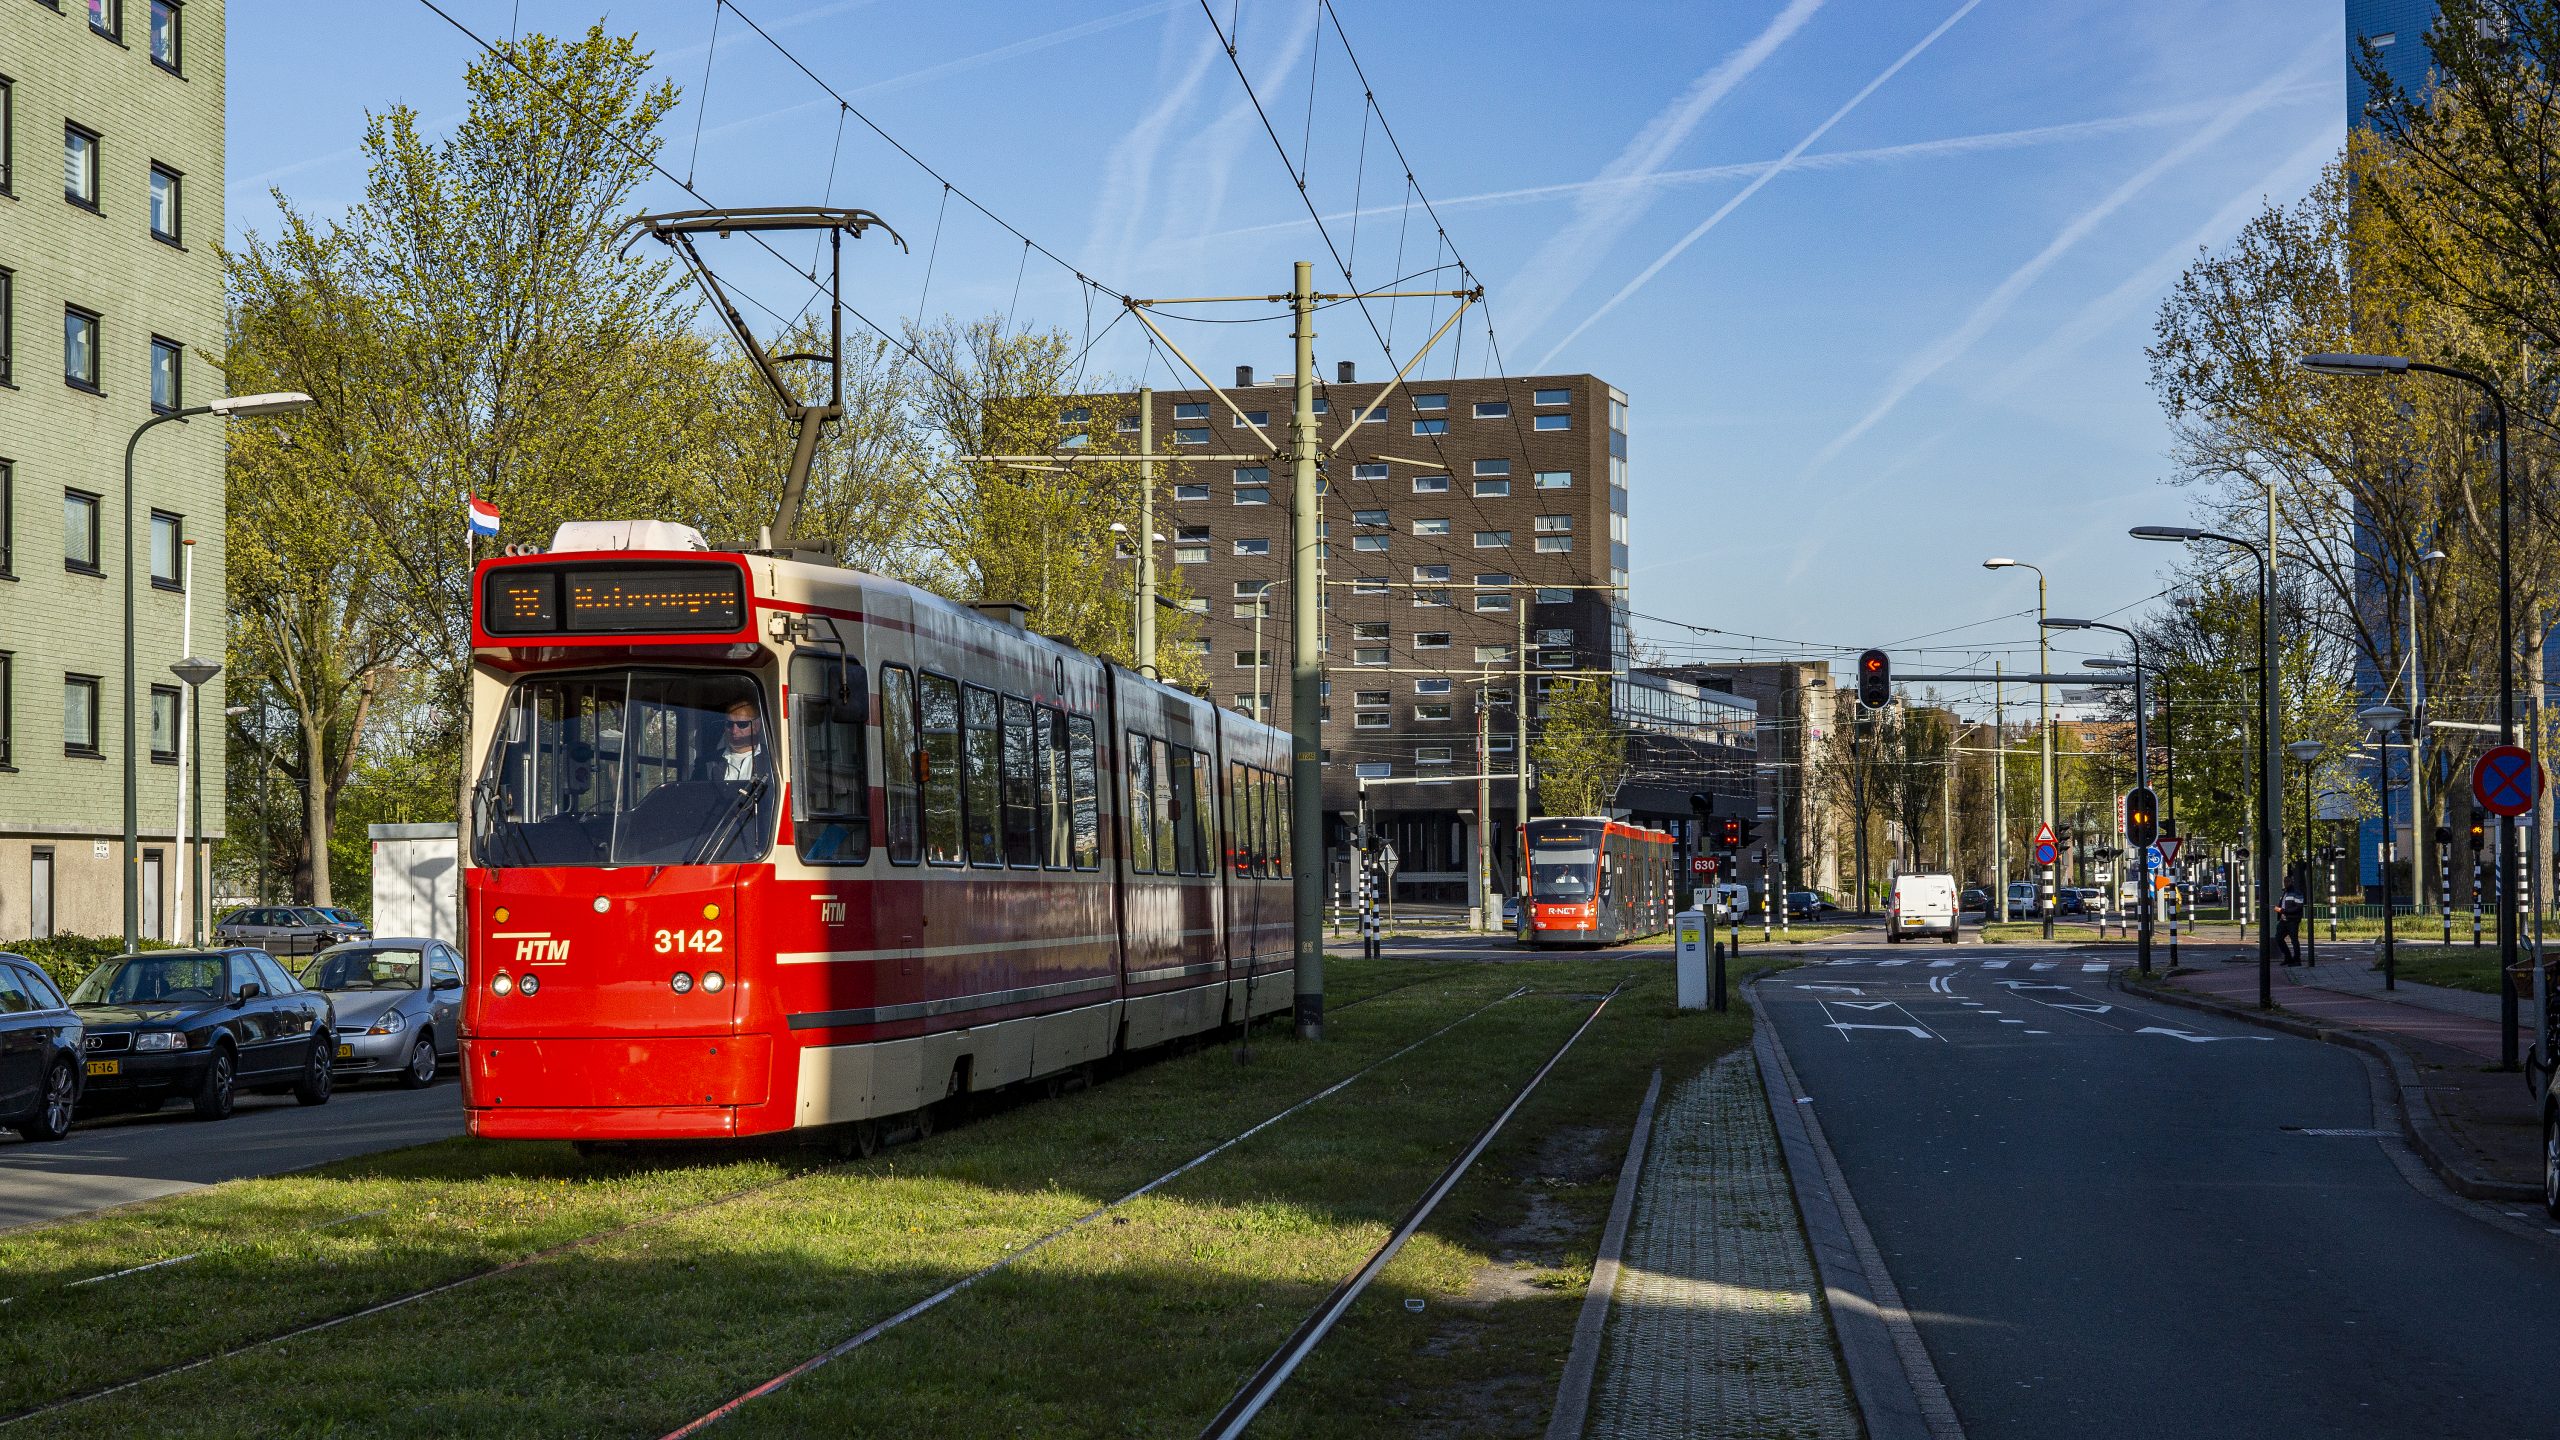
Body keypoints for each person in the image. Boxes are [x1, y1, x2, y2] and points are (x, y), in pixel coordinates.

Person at [694, 697, 775, 785]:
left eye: (742, 724)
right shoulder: (706, 763)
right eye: (730, 724)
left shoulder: (773, 761)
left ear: (757, 725)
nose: (734, 730)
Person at [2276, 873, 2305, 965]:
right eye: (2284, 881)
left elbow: (2299, 906)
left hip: (2292, 920)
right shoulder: (2285, 892)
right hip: (2284, 920)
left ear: (2291, 882)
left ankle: (2297, 960)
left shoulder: (2296, 892)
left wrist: (2283, 911)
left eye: (2288, 881)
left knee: (2294, 940)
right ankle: (2288, 957)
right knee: (2278, 938)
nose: (2286, 883)